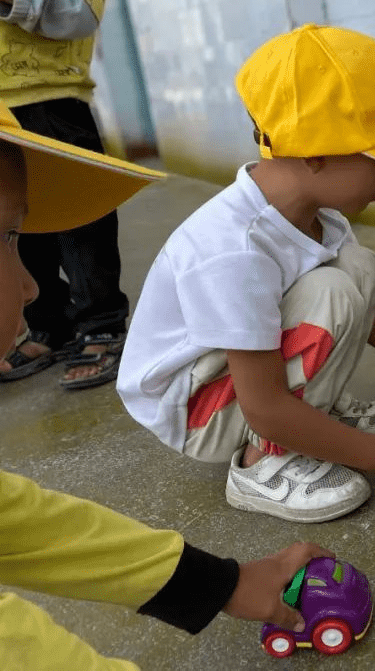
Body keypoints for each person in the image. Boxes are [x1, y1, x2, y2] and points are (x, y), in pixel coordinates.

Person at [117, 24, 375, 524]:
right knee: (331, 290)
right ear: (317, 151)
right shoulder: (233, 250)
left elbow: (370, 314)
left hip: (238, 380)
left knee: (359, 271)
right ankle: (262, 462)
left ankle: (313, 420)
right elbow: (264, 404)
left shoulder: (316, 216)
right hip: (199, 412)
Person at [0, 102, 336, 671]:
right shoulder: (231, 241)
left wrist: (222, 584)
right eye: (8, 237)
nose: (33, 286)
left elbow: (21, 524)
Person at [0, 0, 129, 389]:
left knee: (81, 221)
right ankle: (47, 325)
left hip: (49, 97)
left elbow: (81, 6)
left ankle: (101, 324)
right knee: (19, 224)